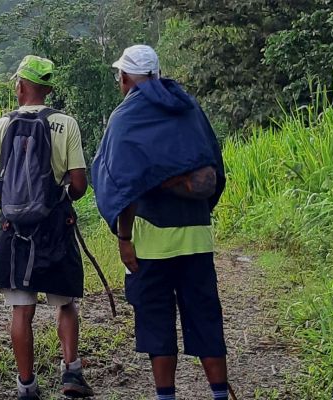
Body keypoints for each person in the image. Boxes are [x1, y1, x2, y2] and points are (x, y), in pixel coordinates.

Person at [92, 45, 232, 400]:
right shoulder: (189, 109)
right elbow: (212, 164)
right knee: (205, 318)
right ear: (157, 73)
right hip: (197, 236)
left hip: (151, 241)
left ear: (124, 78)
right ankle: (218, 394)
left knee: (157, 322)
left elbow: (122, 185)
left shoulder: (125, 118)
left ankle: (165, 396)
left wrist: (125, 238)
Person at [0, 55, 95, 400]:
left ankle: (26, 385)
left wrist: (13, 195)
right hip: (55, 226)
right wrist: (59, 199)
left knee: (21, 309)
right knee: (65, 303)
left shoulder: (2, 125)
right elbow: (79, 183)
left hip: (15, 230)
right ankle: (72, 372)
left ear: (21, 85)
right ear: (47, 87)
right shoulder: (66, 123)